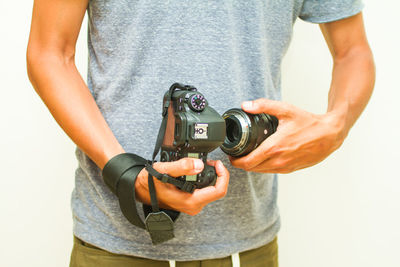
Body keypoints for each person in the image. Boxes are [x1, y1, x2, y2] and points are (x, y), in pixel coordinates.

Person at [26, 0, 375, 266]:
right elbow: (49, 53)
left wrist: (335, 126)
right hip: (115, 243)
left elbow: (352, 52)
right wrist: (125, 171)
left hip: (244, 242)